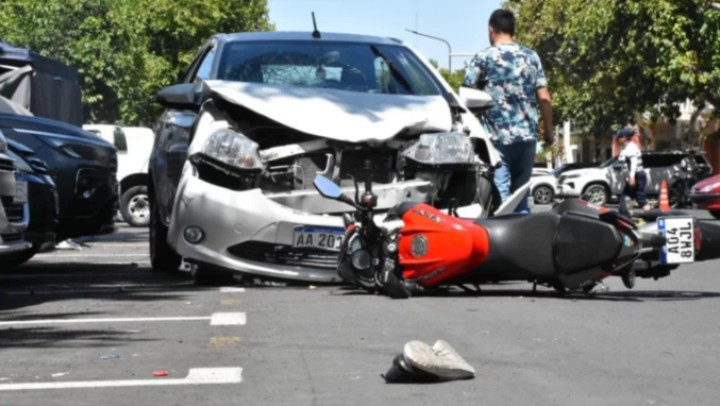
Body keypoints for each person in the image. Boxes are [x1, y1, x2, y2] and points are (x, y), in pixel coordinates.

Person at [464, 8, 554, 213]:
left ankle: (504, 241)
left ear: (491, 30)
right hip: (527, 138)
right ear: (513, 30)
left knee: (501, 197)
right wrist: (548, 131)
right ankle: (524, 238)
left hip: (498, 140)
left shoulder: (484, 57)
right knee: (521, 195)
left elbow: (467, 96)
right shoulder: (532, 57)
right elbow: (545, 98)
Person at [616, 127, 651, 212]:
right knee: (626, 197)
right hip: (634, 175)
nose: (618, 140)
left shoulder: (630, 147)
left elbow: (634, 162)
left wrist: (632, 177)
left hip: (637, 175)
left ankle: (651, 216)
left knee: (639, 197)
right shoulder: (626, 147)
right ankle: (627, 215)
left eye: (619, 137)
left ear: (624, 138)